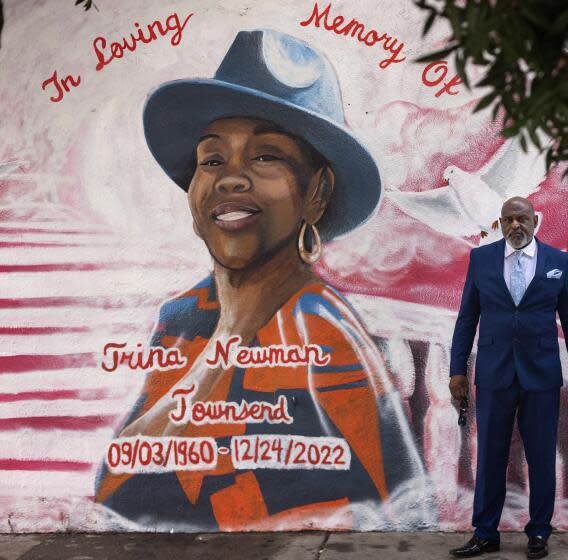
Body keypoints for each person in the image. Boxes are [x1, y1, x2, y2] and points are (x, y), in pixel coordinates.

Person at [94, 29, 424, 530]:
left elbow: (406, 513)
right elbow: (114, 487)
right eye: (211, 159)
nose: (231, 177)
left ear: (317, 192)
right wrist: (229, 338)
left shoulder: (323, 331)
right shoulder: (183, 319)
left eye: (266, 155)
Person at [448, 196, 568, 558]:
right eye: (509, 219)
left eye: (522, 218)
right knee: (490, 456)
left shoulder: (557, 262)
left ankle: (539, 532)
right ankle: (485, 532)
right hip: (495, 374)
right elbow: (467, 319)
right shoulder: (481, 260)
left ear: (535, 221)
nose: (516, 225)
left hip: (541, 375)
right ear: (500, 224)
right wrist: (456, 369)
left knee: (542, 456)